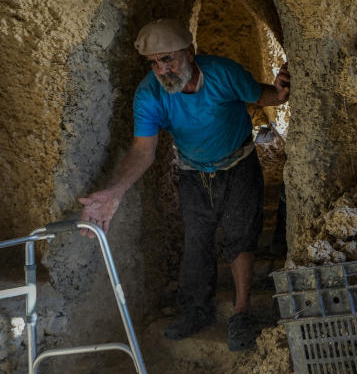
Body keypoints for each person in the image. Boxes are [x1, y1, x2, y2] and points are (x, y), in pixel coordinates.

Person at [79, 18, 290, 351]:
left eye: (168, 59)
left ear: (190, 53)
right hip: (192, 171)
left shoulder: (224, 73)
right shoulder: (149, 94)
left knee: (240, 235)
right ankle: (195, 311)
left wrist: (278, 94)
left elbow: (261, 95)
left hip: (239, 163)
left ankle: (242, 311)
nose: (163, 69)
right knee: (196, 239)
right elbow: (142, 149)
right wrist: (114, 192)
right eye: (154, 63)